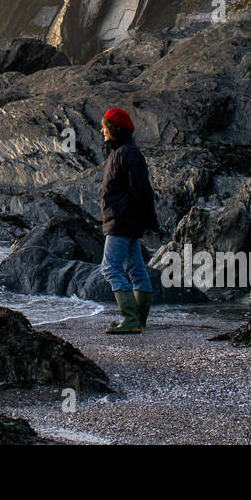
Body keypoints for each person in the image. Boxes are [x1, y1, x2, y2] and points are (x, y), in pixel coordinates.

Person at [98, 107, 159, 334]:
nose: (102, 130)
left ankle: (130, 318)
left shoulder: (127, 153)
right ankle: (138, 320)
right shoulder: (121, 152)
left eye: (105, 126)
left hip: (122, 221)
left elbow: (141, 190)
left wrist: (145, 219)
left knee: (110, 267)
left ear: (114, 128)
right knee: (135, 268)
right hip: (125, 220)